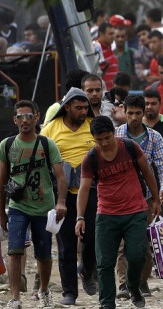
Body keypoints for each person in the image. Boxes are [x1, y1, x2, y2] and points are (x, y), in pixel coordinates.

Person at [76, 115, 161, 309]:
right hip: (106, 215)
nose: (104, 143)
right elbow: (84, 189)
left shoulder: (130, 147)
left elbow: (147, 172)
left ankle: (133, 286)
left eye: (107, 137)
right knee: (105, 262)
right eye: (99, 139)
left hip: (135, 211)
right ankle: (107, 303)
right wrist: (80, 217)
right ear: (94, 139)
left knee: (138, 254)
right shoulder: (91, 158)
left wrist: (155, 200)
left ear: (114, 133)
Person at [0, 100, 68, 309]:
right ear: (14, 120)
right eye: (20, 116)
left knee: (44, 253)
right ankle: (15, 298)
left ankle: (44, 290)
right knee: (15, 250)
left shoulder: (48, 144)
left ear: (37, 117)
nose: (25, 120)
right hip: (18, 206)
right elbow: (1, 180)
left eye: (29, 116)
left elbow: (60, 176)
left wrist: (61, 202)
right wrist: (1, 211)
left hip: (44, 207)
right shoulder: (7, 145)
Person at [40, 87, 98, 305]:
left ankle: (87, 268)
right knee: (65, 243)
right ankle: (69, 292)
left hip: (91, 191)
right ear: (66, 107)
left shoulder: (92, 126)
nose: (83, 111)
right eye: (79, 108)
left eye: (86, 108)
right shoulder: (50, 129)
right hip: (62, 194)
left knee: (92, 237)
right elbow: (40, 156)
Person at [114, 94, 163, 298]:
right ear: (125, 113)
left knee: (143, 245)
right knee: (122, 244)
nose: (134, 117)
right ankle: (122, 284)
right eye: (130, 113)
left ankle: (140, 281)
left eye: (138, 113)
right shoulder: (117, 134)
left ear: (144, 113)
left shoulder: (154, 137)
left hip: (145, 197)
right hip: (120, 197)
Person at [95, 22, 119, 90]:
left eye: (113, 33)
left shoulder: (110, 48)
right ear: (101, 34)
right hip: (104, 93)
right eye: (110, 34)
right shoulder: (96, 49)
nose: (113, 36)